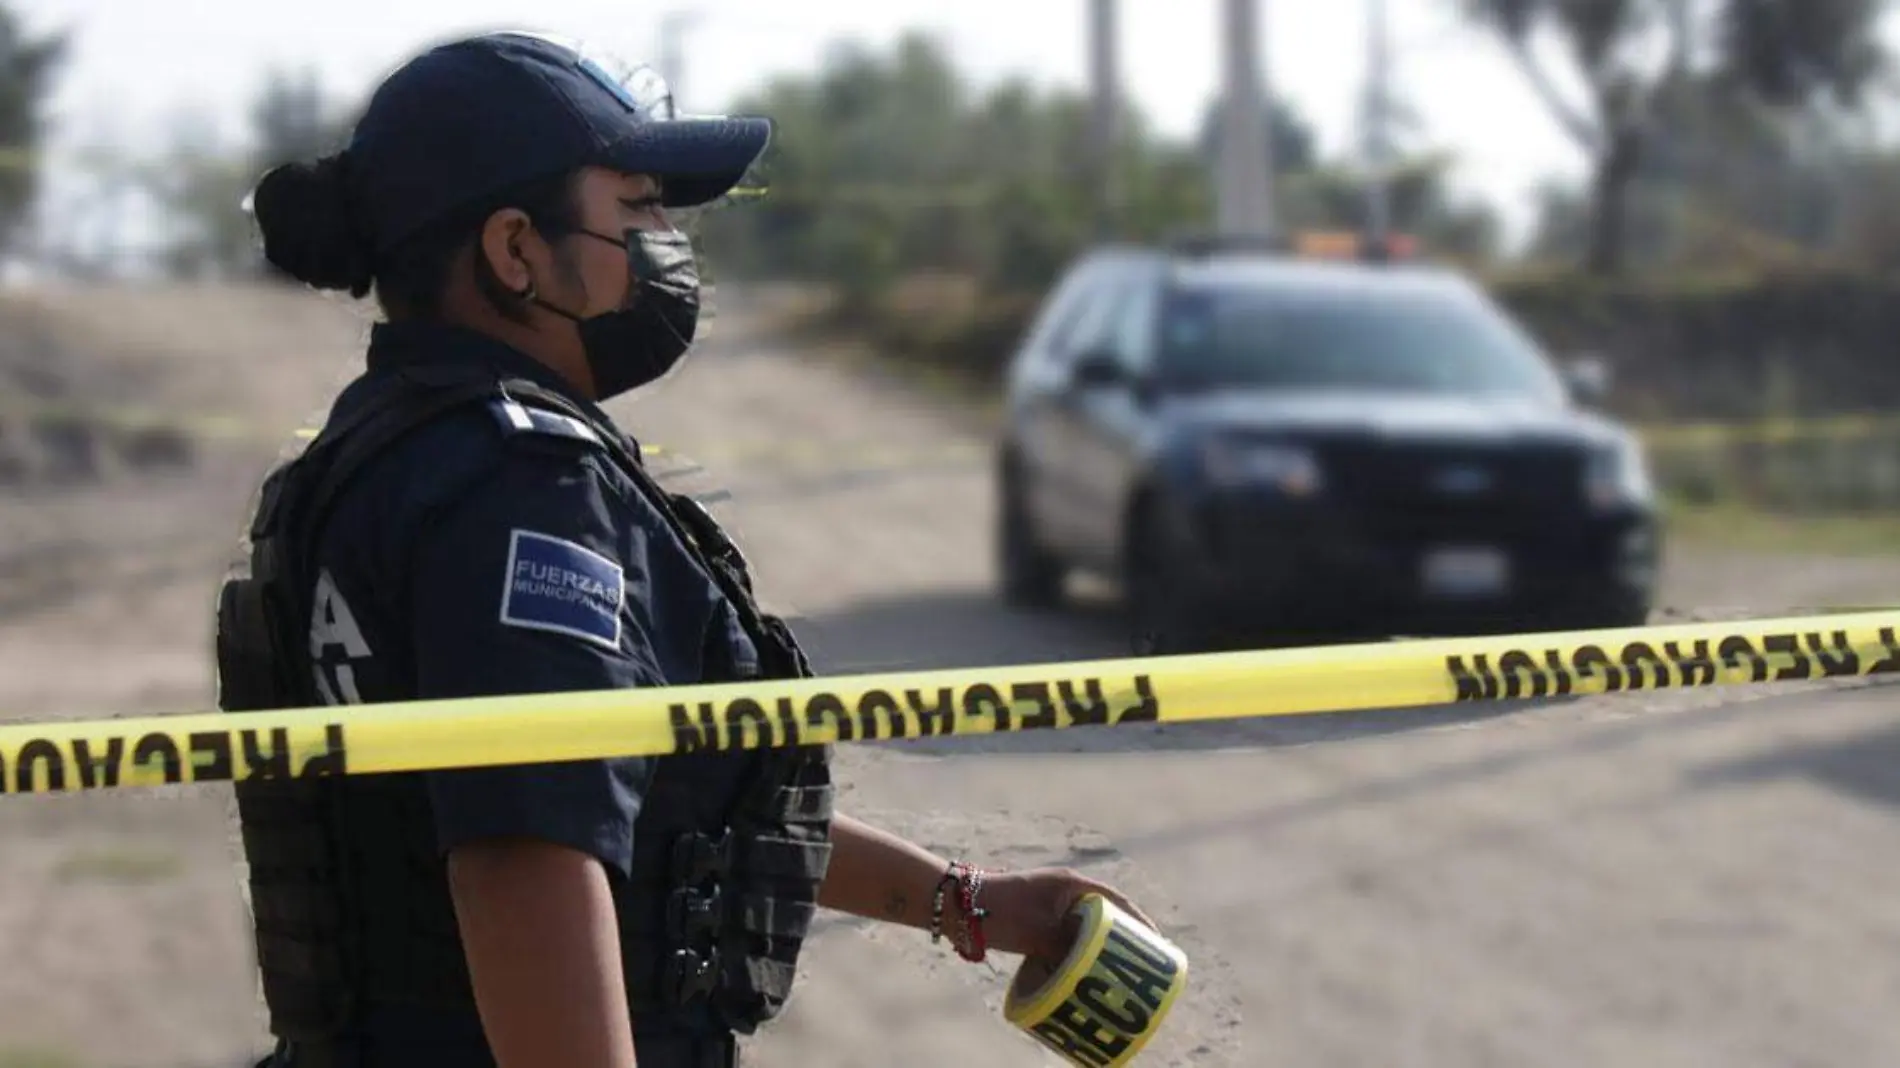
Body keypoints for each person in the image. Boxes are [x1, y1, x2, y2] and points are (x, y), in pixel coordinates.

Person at [212, 29, 1154, 1068]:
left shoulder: (386, 449)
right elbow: (526, 853)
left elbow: (649, 799)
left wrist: (960, 903)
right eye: (637, 208)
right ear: (517, 249)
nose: (667, 240)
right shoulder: (521, 488)